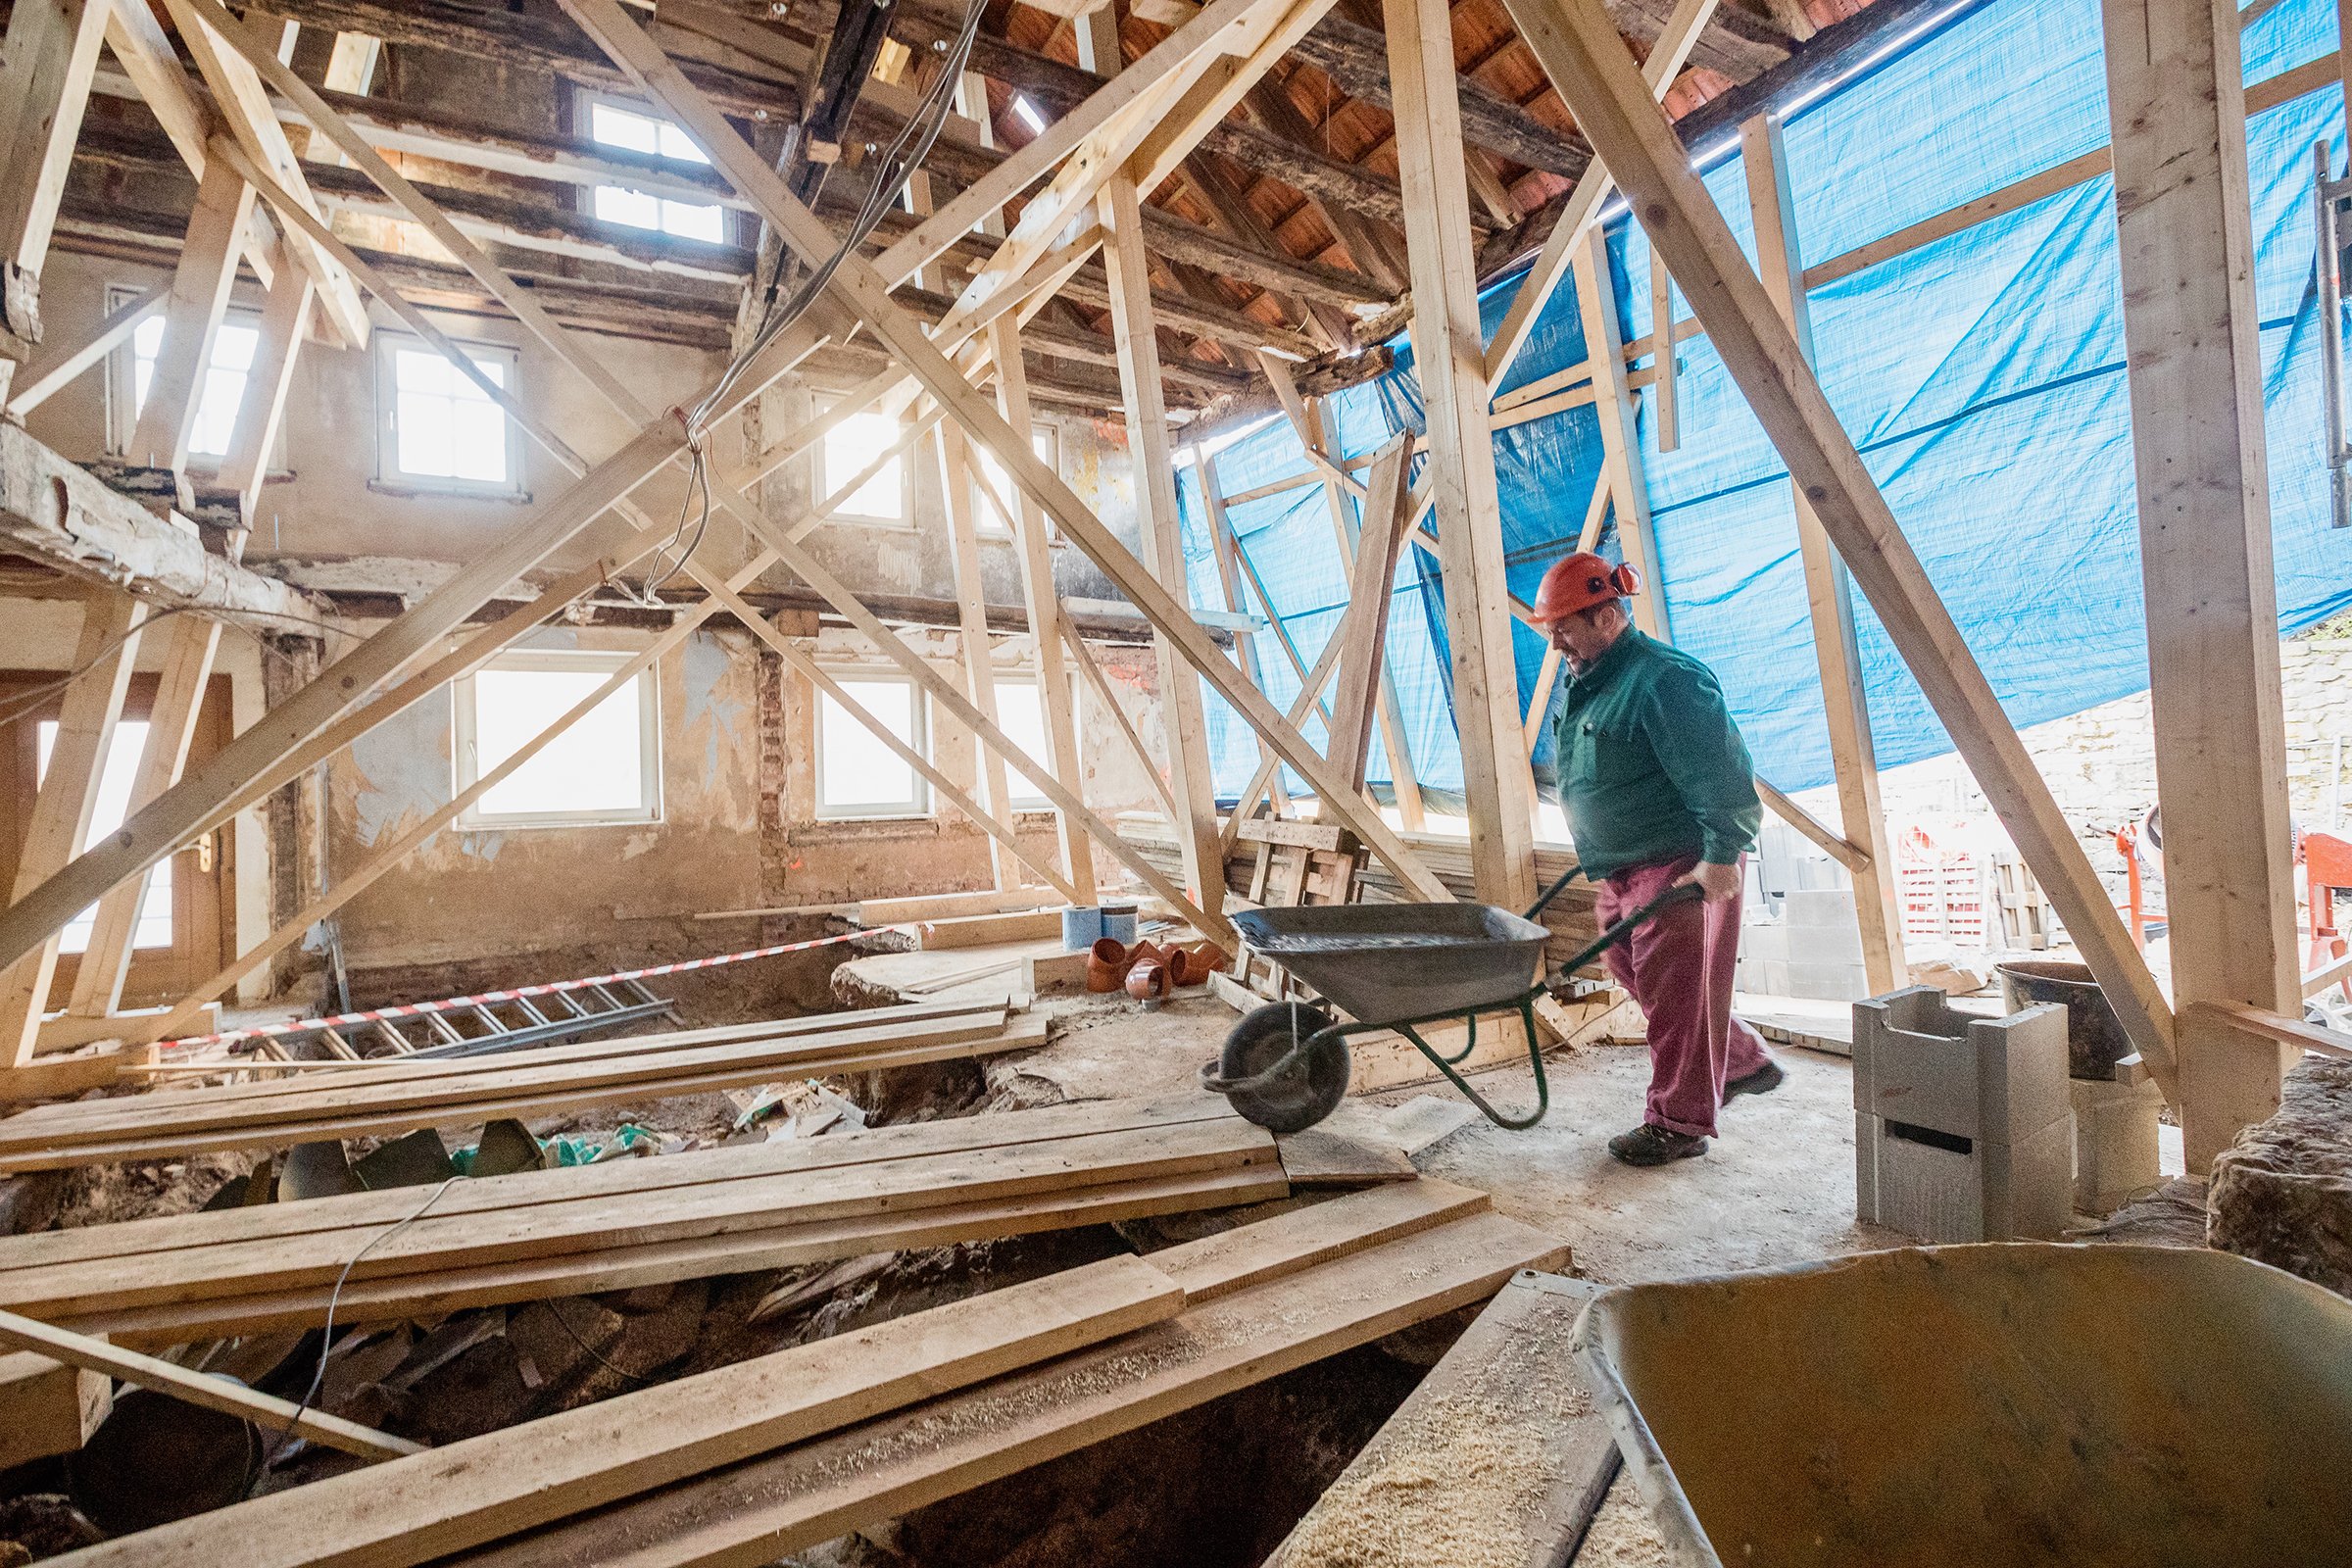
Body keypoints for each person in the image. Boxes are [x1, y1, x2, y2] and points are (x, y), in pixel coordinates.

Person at [1530, 551, 1782, 1166]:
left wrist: (1724, 854)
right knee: (1631, 968)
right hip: (1621, 864)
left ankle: (1678, 1123)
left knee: (1672, 994)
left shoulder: (1665, 679)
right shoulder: (1591, 680)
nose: (1555, 638)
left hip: (1680, 861)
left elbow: (1723, 775)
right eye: (1551, 627)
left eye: (1564, 625)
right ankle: (1741, 1060)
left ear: (1608, 613)